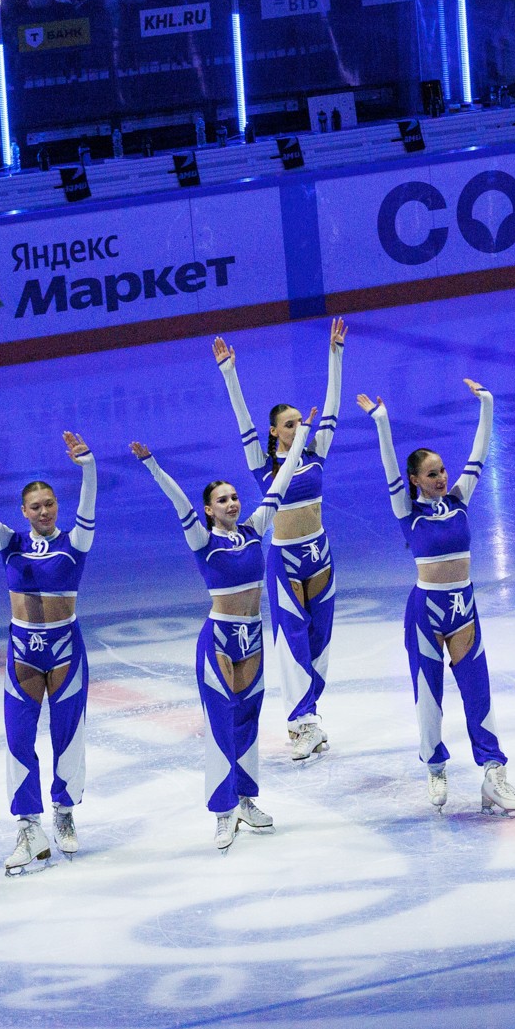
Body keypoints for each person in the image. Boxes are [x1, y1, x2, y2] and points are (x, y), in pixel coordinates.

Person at [132, 422, 313, 850]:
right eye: (222, 500)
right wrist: (152, 464)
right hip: (219, 640)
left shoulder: (254, 530)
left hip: (252, 637)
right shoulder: (202, 540)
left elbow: (281, 482)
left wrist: (302, 437)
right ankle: (222, 812)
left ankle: (246, 800)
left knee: (248, 719)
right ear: (209, 510)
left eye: (234, 497)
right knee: (220, 725)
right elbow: (179, 502)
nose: (231, 503)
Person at [357, 380, 515, 816]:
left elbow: (479, 454)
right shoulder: (406, 511)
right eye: (432, 474)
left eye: (442, 471)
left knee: (478, 691)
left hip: (464, 606)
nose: (442, 478)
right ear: (415, 480)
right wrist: (381, 422)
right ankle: (435, 765)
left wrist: (487, 403)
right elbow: (389, 467)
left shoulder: (459, 500)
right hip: (425, 611)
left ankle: (494, 771)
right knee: (429, 696)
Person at [0, 430, 99, 873]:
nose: (43, 511)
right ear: (23, 511)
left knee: (67, 734)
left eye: (49, 504)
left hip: (65, 649)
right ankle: (27, 825)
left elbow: (89, 506)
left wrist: (88, 468)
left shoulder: (75, 543)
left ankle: (64, 811)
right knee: (19, 737)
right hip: (22, 651)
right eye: (35, 507)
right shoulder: (10, 543)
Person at [212, 319, 346, 763]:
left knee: (320, 639)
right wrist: (230, 373)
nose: (296, 427)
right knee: (292, 640)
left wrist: (335, 354)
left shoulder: (316, 452)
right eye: (289, 424)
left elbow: (332, 406)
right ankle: (302, 720)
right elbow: (242, 420)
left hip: (320, 555)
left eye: (298, 422)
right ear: (275, 432)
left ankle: (310, 715)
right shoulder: (262, 465)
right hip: (285, 560)